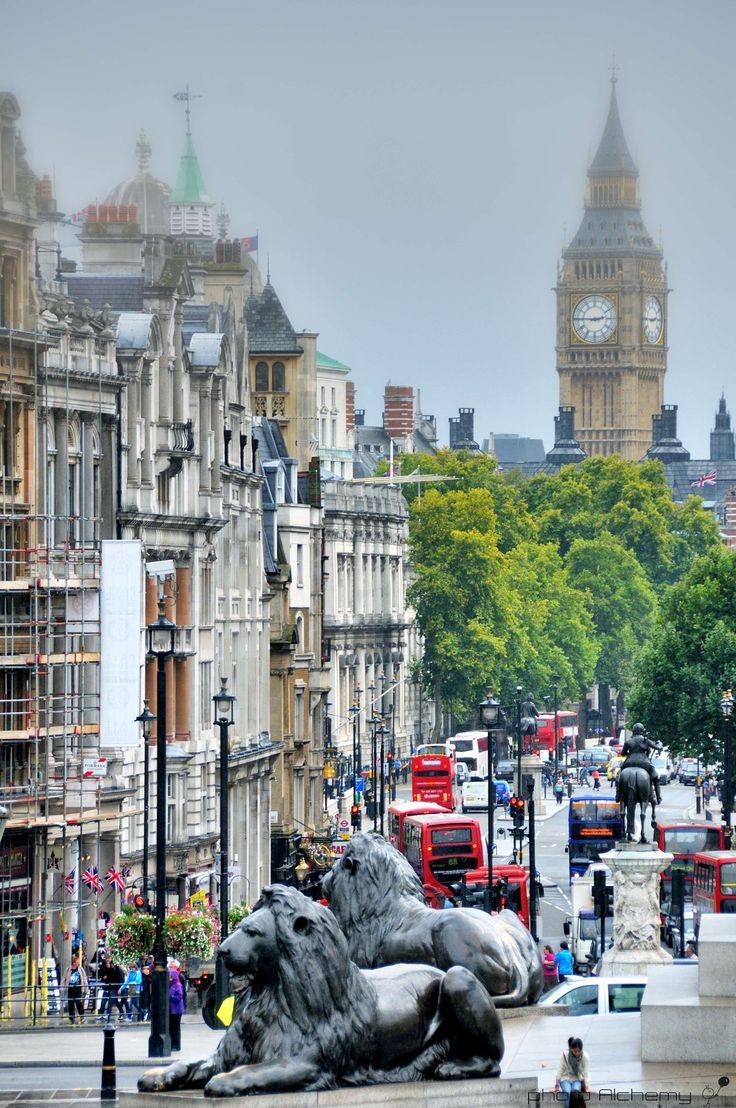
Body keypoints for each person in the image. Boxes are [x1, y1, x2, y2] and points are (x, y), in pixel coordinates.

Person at [616, 722, 662, 806]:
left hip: (629, 762)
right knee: (655, 777)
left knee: (619, 776)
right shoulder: (646, 740)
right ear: (642, 731)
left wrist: (630, 754)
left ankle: (618, 794)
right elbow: (658, 748)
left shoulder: (628, 741)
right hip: (644, 763)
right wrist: (660, 744)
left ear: (633, 731)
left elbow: (623, 753)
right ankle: (658, 797)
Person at [554, 1035, 590, 1107]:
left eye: (578, 1051)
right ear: (571, 1049)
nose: (576, 1053)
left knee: (575, 1090)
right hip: (565, 1078)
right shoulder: (565, 1055)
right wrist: (557, 1085)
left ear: (581, 1050)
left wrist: (587, 1086)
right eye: (574, 1051)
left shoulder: (585, 1057)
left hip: (577, 1078)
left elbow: (586, 1073)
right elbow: (560, 1069)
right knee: (567, 1092)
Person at [61, 954, 88, 1025]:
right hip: (70, 988)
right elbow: (64, 978)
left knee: (78, 1002)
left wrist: (86, 988)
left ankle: (82, 1015)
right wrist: (62, 987)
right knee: (71, 1003)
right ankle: (71, 1018)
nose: (79, 962)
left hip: (78, 988)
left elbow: (84, 978)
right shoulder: (68, 969)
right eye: (78, 961)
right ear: (74, 962)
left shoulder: (81, 969)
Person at [97, 957, 126, 1022]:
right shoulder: (108, 970)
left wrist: (119, 988)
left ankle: (108, 1014)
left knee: (111, 1001)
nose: (109, 965)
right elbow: (108, 978)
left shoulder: (118, 970)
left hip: (115, 988)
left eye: (110, 964)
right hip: (109, 987)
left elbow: (120, 980)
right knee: (111, 1000)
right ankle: (120, 1013)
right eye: (109, 964)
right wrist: (104, 978)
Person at [168, 963, 185, 1051]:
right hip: (171, 1010)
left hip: (176, 1010)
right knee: (171, 1028)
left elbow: (179, 996)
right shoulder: (170, 985)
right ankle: (172, 1044)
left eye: (170, 976)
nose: (169, 978)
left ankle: (176, 1045)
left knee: (176, 1028)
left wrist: (170, 997)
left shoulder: (178, 985)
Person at [139, 956, 153, 1021]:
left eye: (148, 969)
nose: (147, 971)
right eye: (145, 969)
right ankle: (144, 1014)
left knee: (147, 1003)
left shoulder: (150, 976)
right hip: (142, 992)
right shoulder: (141, 976)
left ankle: (146, 1013)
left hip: (148, 993)